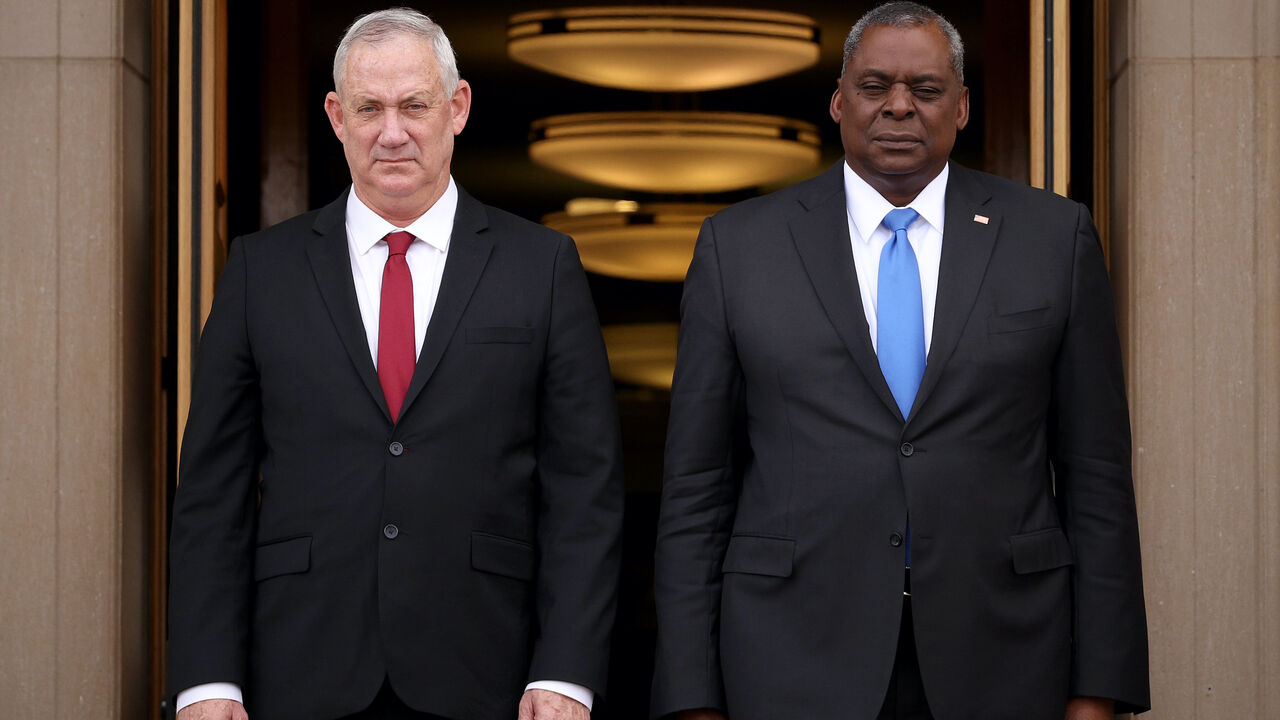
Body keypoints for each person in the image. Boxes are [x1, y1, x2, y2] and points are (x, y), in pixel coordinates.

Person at [650, 3, 1149, 719]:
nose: (898, 107)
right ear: (838, 100)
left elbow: (1097, 477)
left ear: (964, 107)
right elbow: (697, 488)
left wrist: (1100, 689)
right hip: (790, 658)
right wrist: (691, 697)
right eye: (875, 85)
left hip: (1006, 655)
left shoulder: (1053, 238)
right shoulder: (739, 248)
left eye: (926, 89)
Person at [168, 9, 623, 720]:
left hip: (488, 671)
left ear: (457, 107)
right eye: (368, 108)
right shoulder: (262, 270)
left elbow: (584, 491)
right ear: (335, 116)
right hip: (298, 668)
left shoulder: (542, 267)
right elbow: (211, 494)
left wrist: (566, 671)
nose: (392, 131)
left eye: (414, 105)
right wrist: (206, 679)